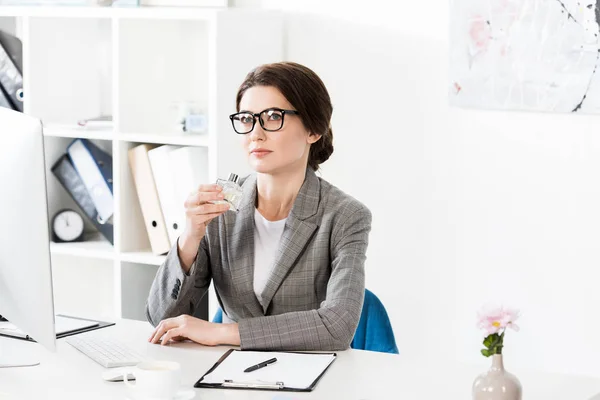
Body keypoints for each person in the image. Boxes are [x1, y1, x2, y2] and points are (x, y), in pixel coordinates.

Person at [146, 62, 372, 351]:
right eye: (246, 119)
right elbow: (160, 320)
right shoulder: (220, 207)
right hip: (227, 377)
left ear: (313, 129)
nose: (255, 133)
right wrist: (189, 237)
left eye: (273, 117)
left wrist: (223, 332)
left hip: (314, 380)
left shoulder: (345, 216)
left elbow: (337, 326)